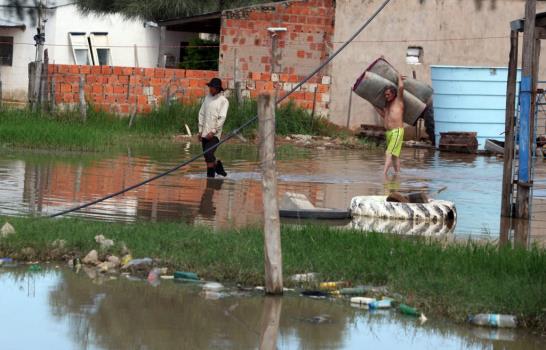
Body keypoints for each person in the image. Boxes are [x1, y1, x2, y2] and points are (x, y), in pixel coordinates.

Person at [374, 73, 405, 176]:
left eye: (388, 94)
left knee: (388, 153)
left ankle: (383, 174)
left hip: (397, 131)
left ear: (393, 94)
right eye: (385, 94)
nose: (386, 96)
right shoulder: (387, 105)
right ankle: (398, 174)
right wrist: (375, 106)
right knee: (395, 156)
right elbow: (384, 116)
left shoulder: (398, 101)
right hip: (389, 132)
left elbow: (401, 87)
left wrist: (399, 77)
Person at [198, 78, 229, 178]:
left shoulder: (223, 101)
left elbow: (222, 118)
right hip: (204, 132)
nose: (210, 89)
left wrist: (213, 131)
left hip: (215, 134)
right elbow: (201, 114)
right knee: (207, 157)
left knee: (208, 152)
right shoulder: (207, 98)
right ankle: (211, 179)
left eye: (212, 87)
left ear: (217, 89)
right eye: (210, 87)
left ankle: (215, 171)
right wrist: (200, 130)